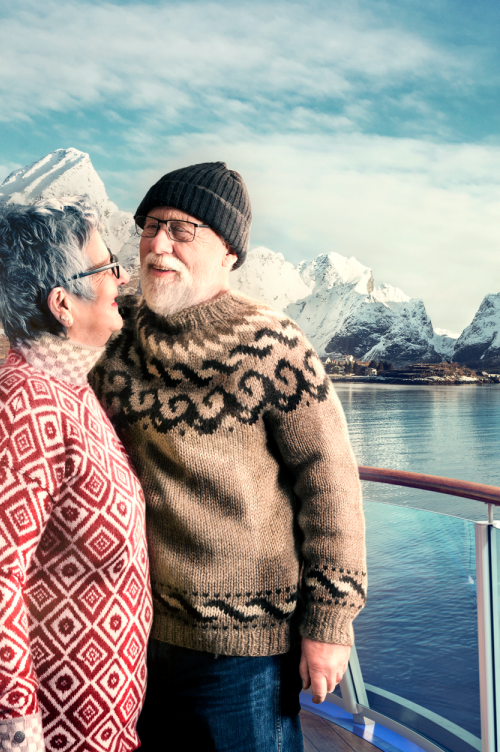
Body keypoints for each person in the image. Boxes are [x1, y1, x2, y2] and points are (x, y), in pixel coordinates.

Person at [89, 162, 367, 751]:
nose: (159, 244)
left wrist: (330, 624)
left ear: (230, 253)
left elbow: (331, 485)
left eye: (182, 230)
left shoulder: (275, 346)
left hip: (245, 654)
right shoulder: (115, 338)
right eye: (150, 226)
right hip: (133, 631)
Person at [0, 199, 149, 752]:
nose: (122, 277)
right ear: (62, 303)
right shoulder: (24, 406)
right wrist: (17, 734)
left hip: (90, 721)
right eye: (107, 267)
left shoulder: (67, 389)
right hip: (50, 732)